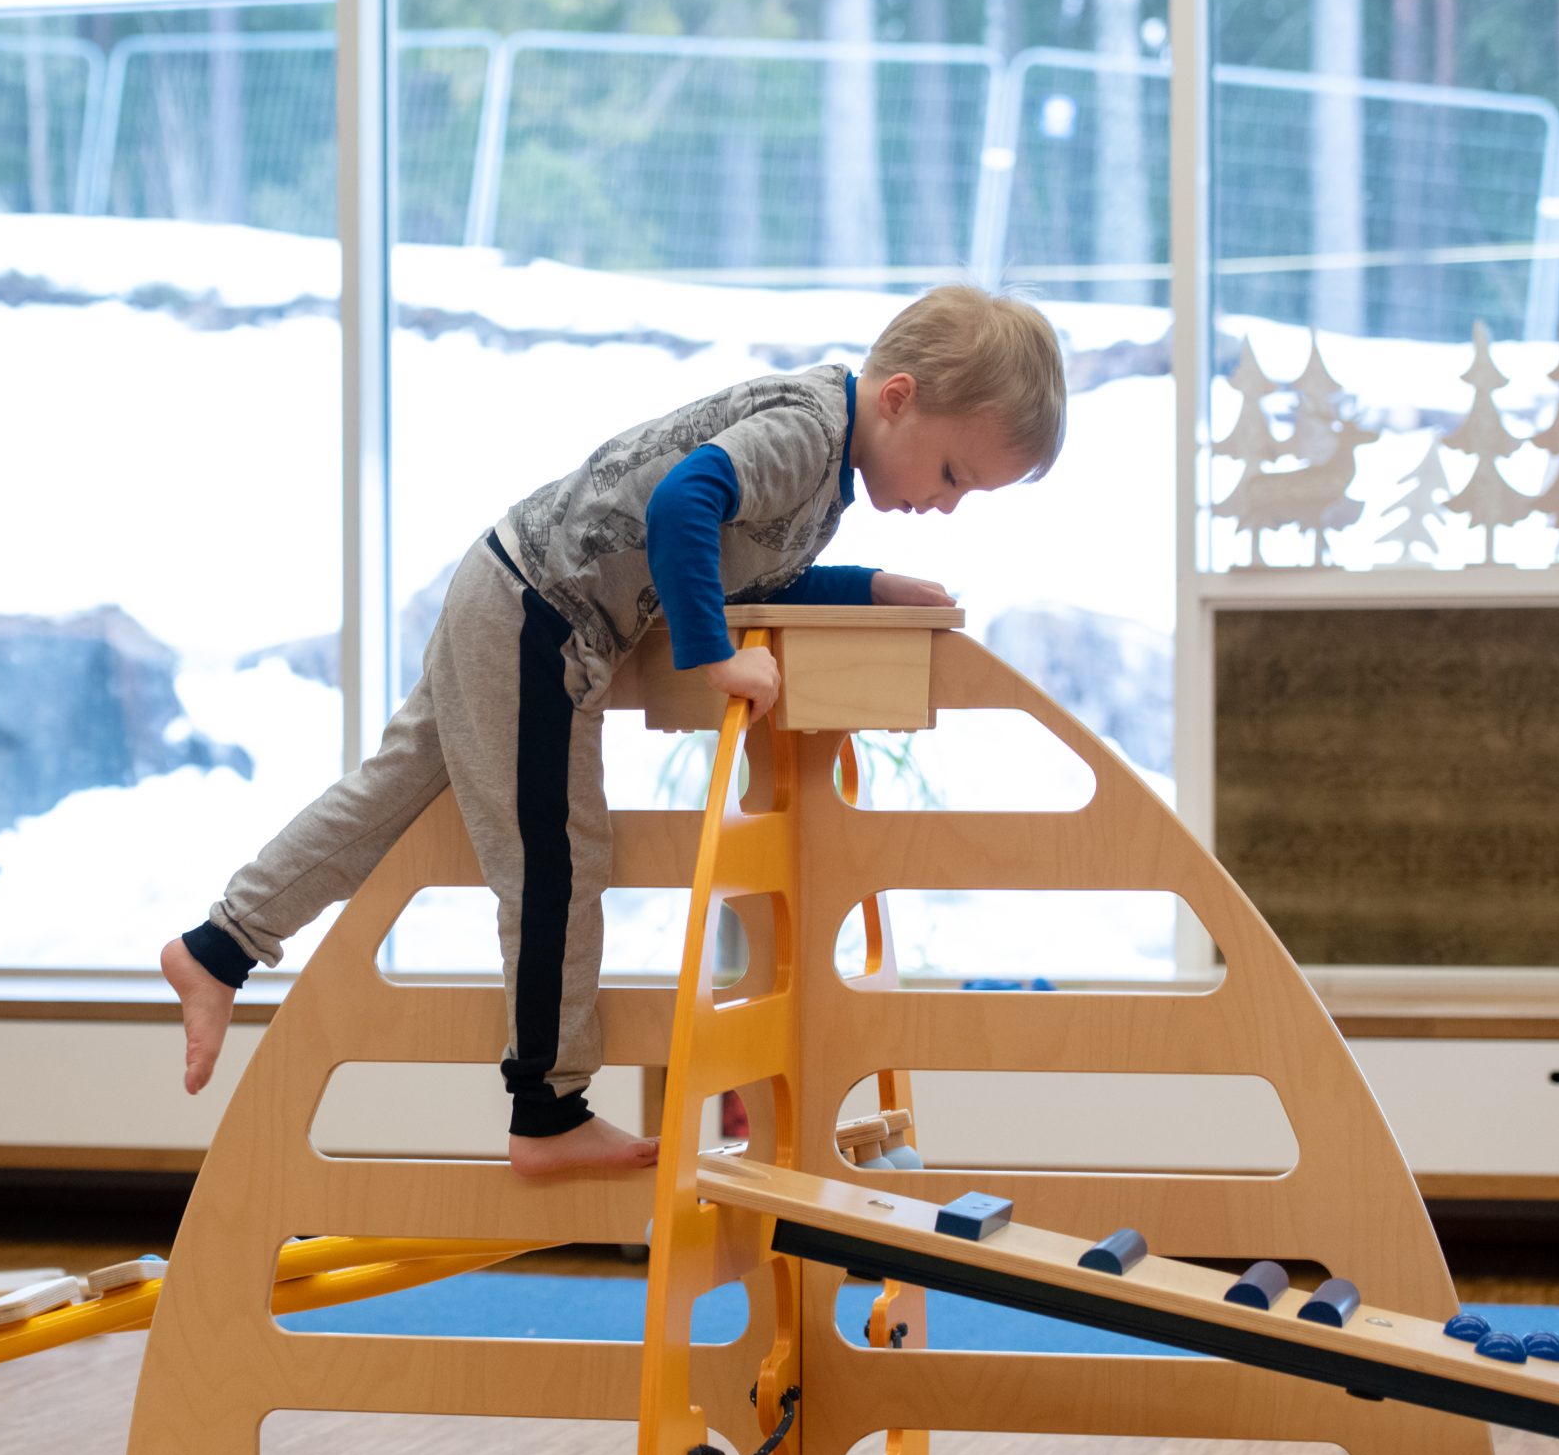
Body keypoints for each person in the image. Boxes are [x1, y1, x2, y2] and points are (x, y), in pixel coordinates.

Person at [161, 284, 1067, 1176]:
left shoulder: (826, 467)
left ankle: (220, 945)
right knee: (556, 858)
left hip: (512, 589)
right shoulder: (808, 433)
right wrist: (714, 658)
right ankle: (546, 1110)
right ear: (900, 397)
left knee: (391, 793)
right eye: (952, 474)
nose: (947, 504)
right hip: (540, 614)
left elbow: (751, 568)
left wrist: (866, 587)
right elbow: (683, 503)